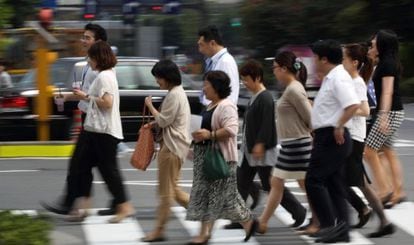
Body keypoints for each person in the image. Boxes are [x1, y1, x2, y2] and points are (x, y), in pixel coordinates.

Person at [41, 23, 115, 217]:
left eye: (87, 37)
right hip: (88, 119)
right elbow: (85, 93)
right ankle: (83, 206)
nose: (83, 40)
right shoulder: (89, 63)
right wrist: (67, 97)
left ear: (98, 42)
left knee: (88, 165)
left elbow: (98, 97)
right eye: (83, 37)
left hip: (95, 121)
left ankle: (79, 204)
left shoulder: (98, 67)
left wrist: (82, 98)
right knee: (87, 165)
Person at [226, 59, 306, 231]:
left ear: (257, 78)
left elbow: (267, 125)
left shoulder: (266, 97)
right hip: (250, 150)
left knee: (271, 185)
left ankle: (298, 211)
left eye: (246, 79)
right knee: (241, 182)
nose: (244, 83)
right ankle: (239, 218)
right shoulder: (256, 97)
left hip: (261, 151)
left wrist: (260, 144)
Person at [187, 71, 257, 245]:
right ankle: (208, 232)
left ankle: (245, 222)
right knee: (207, 196)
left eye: (206, 85)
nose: (204, 88)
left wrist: (209, 134)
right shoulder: (210, 105)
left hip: (220, 159)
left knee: (221, 198)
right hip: (204, 157)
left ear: (216, 87)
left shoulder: (226, 106)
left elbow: (232, 130)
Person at [73, 41, 135, 223]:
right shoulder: (106, 74)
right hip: (97, 130)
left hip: (104, 131)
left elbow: (107, 103)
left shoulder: (104, 77)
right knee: (83, 166)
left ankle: (124, 207)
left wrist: (86, 97)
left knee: (109, 171)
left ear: (97, 58)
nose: (89, 61)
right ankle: (84, 207)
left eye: (90, 57)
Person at [305, 39, 360, 243]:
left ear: (324, 59)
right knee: (335, 183)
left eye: (315, 58)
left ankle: (329, 226)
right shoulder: (332, 77)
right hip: (327, 136)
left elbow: (353, 105)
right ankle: (342, 230)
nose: (313, 62)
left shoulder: (338, 78)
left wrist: (339, 125)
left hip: (332, 137)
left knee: (313, 180)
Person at [342, 43, 395, 237]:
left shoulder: (356, 82)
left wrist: (343, 109)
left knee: (359, 182)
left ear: (354, 62)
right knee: (357, 181)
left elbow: (364, 110)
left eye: (344, 58)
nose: (341, 62)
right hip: (353, 136)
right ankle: (373, 216)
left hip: (354, 137)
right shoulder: (352, 80)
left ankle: (382, 220)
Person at [256, 51, 312, 233]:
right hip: (291, 144)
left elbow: (310, 119)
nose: (274, 72)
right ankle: (263, 222)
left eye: (275, 68)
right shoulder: (291, 89)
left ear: (284, 68)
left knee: (299, 184)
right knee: (277, 181)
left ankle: (321, 219)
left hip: (299, 144)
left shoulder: (295, 89)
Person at [140, 60, 192, 242]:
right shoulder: (177, 93)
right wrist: (153, 123)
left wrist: (150, 106)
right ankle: (204, 211)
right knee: (174, 191)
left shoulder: (173, 96)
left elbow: (163, 121)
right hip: (175, 148)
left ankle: (159, 231)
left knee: (166, 193)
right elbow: (170, 120)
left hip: (170, 149)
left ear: (167, 77)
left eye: (158, 78)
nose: (157, 82)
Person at [363, 30, 406, 209]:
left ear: (382, 46)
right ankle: (398, 191)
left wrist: (383, 116)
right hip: (393, 112)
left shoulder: (387, 65)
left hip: (389, 113)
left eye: (374, 43)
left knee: (369, 151)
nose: (371, 45)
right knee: (387, 151)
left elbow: (387, 91)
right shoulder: (386, 62)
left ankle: (384, 190)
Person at [197, 25, 239, 106]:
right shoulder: (214, 61)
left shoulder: (226, 62)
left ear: (212, 43)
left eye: (201, 45)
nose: (200, 50)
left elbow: (230, 95)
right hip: (212, 110)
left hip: (219, 113)